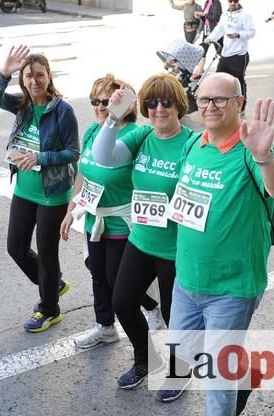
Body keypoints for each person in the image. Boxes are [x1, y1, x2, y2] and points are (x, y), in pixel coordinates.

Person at [164, 72, 274, 415]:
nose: (210, 106)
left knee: (218, 381)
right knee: (182, 350)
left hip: (232, 287)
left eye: (220, 99)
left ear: (239, 103)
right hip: (187, 279)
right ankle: (246, 374)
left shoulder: (251, 147)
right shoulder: (195, 144)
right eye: (204, 99)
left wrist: (264, 157)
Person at [88, 73, 192, 392]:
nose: (159, 108)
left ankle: (180, 370)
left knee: (177, 318)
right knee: (122, 302)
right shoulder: (142, 137)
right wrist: (113, 117)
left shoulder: (190, 143)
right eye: (151, 102)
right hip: (142, 239)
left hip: (175, 248)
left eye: (166, 101)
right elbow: (103, 157)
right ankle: (146, 360)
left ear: (178, 105)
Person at [0, 45, 80, 332]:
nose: (34, 81)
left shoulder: (63, 110)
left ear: (49, 76)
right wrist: (4, 72)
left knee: (47, 252)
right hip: (25, 190)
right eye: (28, 76)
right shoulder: (23, 106)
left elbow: (72, 152)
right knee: (15, 247)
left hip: (52, 194)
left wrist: (41, 157)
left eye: (39, 75)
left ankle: (49, 308)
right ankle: (52, 283)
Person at [60, 74, 141, 349]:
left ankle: (151, 320)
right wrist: (71, 210)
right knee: (99, 276)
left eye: (107, 101)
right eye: (95, 101)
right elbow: (83, 174)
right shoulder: (95, 131)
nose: (99, 107)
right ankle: (105, 327)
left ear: (126, 103)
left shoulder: (133, 135)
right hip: (95, 219)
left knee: (121, 284)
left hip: (122, 221)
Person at [205, 0, 256, 109]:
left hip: (239, 54)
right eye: (230, 1)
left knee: (238, 82)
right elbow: (219, 29)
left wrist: (238, 35)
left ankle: (241, 105)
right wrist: (209, 38)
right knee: (219, 79)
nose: (233, 3)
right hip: (225, 53)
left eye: (235, 1)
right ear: (227, 0)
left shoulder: (245, 15)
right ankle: (218, 102)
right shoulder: (225, 15)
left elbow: (252, 32)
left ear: (239, 1)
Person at [191, 0, 223, 78]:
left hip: (215, 31)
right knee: (203, 50)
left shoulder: (216, 2)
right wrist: (201, 16)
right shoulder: (206, 2)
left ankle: (225, 69)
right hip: (207, 29)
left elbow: (216, 17)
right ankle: (199, 72)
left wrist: (203, 14)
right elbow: (206, 18)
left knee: (220, 51)